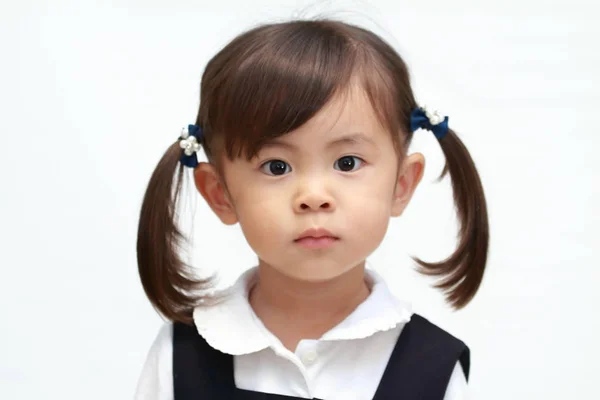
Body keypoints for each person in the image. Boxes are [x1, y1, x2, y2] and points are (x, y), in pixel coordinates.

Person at [134, 18, 488, 400]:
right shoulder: (180, 357)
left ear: (401, 185)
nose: (314, 196)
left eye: (348, 163)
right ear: (220, 194)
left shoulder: (432, 369)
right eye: (276, 167)